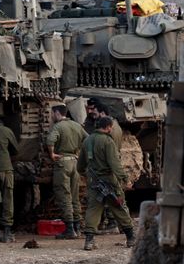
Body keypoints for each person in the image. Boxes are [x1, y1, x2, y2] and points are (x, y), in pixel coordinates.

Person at [78, 116, 136, 251]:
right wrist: (125, 179)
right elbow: (115, 164)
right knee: (119, 206)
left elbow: (80, 166)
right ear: (108, 127)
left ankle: (89, 241)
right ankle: (131, 238)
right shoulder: (108, 142)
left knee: (93, 209)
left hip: (94, 182)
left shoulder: (87, 141)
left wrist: (86, 174)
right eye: (111, 127)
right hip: (109, 182)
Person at [46, 104, 87, 240]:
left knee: (64, 195)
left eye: (52, 113)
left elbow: (50, 140)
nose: (51, 116)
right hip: (75, 162)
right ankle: (77, 227)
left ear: (57, 113)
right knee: (75, 196)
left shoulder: (58, 126)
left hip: (63, 162)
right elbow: (87, 139)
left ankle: (69, 229)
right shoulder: (76, 125)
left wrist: (52, 154)